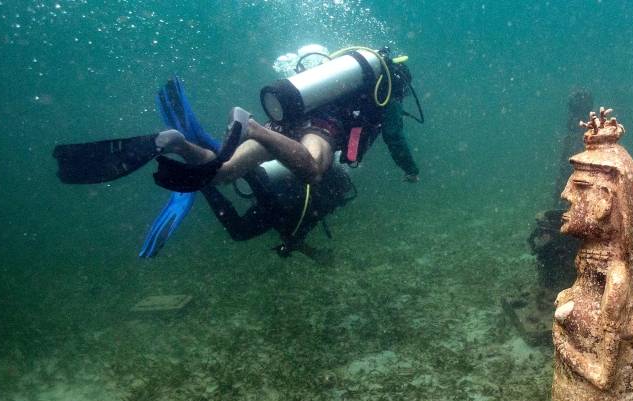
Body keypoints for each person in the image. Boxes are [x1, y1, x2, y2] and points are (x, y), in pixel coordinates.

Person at [53, 44, 422, 259]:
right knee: (312, 168)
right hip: (320, 127)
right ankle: (252, 127)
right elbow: (393, 137)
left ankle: (176, 142)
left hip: (284, 127)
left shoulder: (336, 77)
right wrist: (410, 169)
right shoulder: (383, 91)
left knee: (226, 170)